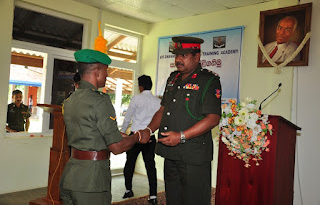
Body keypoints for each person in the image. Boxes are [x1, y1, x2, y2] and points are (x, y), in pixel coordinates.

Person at [59, 49, 150, 205]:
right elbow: (116, 147)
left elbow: (88, 131)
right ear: (97, 71)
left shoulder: (70, 99)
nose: (107, 76)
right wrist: (138, 136)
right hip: (92, 181)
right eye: (106, 71)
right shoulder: (100, 101)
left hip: (70, 176)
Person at [137, 36, 222, 205]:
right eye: (176, 55)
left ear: (197, 57)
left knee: (194, 201)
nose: (178, 59)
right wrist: (148, 130)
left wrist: (181, 136)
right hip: (171, 154)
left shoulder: (209, 80)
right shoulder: (173, 78)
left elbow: (213, 118)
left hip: (194, 156)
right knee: (174, 199)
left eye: (184, 55)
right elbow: (163, 110)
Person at [121, 75, 161, 205]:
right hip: (150, 137)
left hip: (136, 136)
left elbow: (128, 117)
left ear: (140, 87)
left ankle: (128, 190)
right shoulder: (157, 101)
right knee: (150, 166)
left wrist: (122, 131)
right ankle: (153, 196)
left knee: (130, 163)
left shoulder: (136, 99)